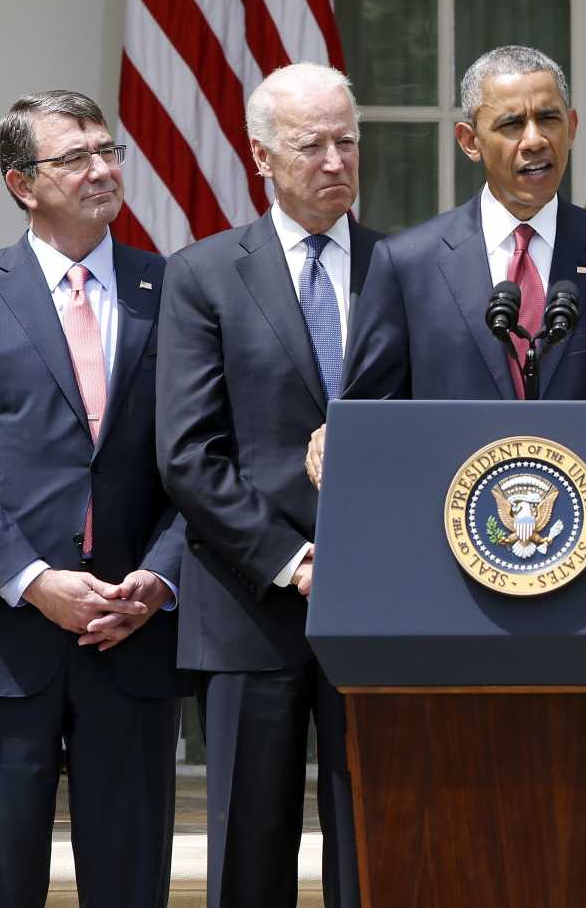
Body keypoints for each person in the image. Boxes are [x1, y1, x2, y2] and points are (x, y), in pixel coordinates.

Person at [317, 44, 586, 491]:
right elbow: (371, 424)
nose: (535, 140)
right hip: (447, 534)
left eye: (549, 119)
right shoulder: (406, 263)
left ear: (573, 127)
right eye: (511, 124)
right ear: (470, 141)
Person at [155, 63, 384, 908]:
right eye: (310, 144)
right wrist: (293, 559)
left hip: (382, 602)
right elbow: (188, 454)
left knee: (379, 841)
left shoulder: (405, 267)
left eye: (347, 141)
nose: (334, 160)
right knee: (250, 852)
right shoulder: (205, 275)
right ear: (261, 156)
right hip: (251, 606)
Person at [0, 90, 182, 907]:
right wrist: (33, 580)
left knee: (132, 881)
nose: (103, 170)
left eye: (108, 151)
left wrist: (159, 579)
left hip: (131, 639)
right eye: (75, 158)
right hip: (6, 646)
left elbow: (201, 458)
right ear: (22, 183)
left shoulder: (175, 289)